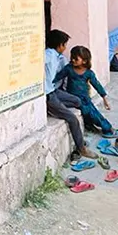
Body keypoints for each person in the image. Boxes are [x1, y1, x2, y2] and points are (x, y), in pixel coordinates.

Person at [45, 30, 97, 162]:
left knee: (77, 101)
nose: (65, 48)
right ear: (60, 45)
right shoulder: (49, 54)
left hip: (55, 90)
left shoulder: (57, 56)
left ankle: (87, 123)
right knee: (72, 118)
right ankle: (81, 148)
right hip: (49, 94)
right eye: (65, 45)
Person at [55, 46, 118, 138]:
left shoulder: (89, 73)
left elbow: (97, 85)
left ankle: (105, 128)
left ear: (84, 61)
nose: (72, 60)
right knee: (91, 113)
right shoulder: (69, 69)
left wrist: (104, 99)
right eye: (72, 58)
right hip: (73, 98)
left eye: (75, 59)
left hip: (85, 99)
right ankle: (106, 129)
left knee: (94, 113)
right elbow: (57, 77)